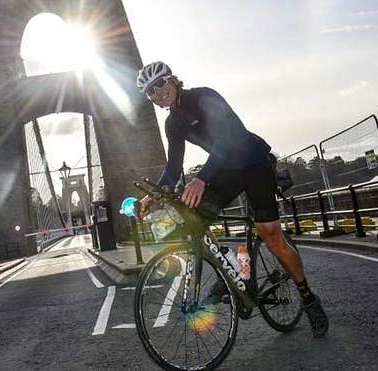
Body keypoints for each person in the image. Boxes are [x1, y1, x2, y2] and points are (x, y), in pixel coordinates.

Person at [135, 61, 329, 338]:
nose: (157, 92)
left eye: (160, 84)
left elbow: (226, 140)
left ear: (173, 80)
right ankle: (231, 270)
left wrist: (201, 179)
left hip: (252, 163)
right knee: (193, 215)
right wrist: (150, 197)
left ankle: (308, 298)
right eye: (150, 92)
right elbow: (173, 166)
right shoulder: (172, 123)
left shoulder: (204, 96)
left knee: (270, 234)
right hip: (226, 170)